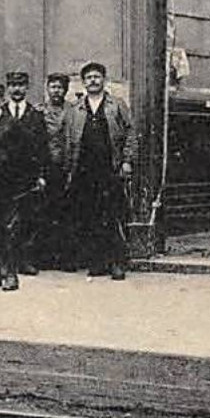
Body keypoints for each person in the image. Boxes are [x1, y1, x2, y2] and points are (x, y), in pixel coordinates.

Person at [0, 80, 47, 292]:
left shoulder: (12, 125)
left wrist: (23, 184)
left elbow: (27, 157)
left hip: (7, 190)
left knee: (7, 232)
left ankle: (10, 274)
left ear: (1, 100)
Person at [65, 60, 139, 280]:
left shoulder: (116, 105)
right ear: (83, 83)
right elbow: (70, 140)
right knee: (90, 217)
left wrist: (127, 161)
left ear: (103, 80)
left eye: (97, 76)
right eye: (89, 78)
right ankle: (98, 262)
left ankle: (117, 262)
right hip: (84, 171)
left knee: (113, 216)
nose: (93, 81)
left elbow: (131, 134)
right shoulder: (76, 109)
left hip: (110, 169)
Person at [3, 70, 49, 276]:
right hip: (3, 177)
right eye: (13, 85)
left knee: (28, 219)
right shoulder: (0, 113)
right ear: (8, 88)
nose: (17, 89)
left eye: (21, 85)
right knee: (4, 219)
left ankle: (25, 260)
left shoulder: (36, 115)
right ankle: (5, 261)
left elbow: (42, 148)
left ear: (27, 88)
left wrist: (40, 175)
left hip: (27, 177)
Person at [36, 72, 73, 270]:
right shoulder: (39, 111)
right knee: (44, 213)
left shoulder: (73, 110)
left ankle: (66, 257)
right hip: (46, 167)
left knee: (66, 213)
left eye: (60, 87)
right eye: (53, 87)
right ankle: (45, 257)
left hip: (66, 166)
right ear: (47, 89)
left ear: (65, 90)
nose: (56, 91)